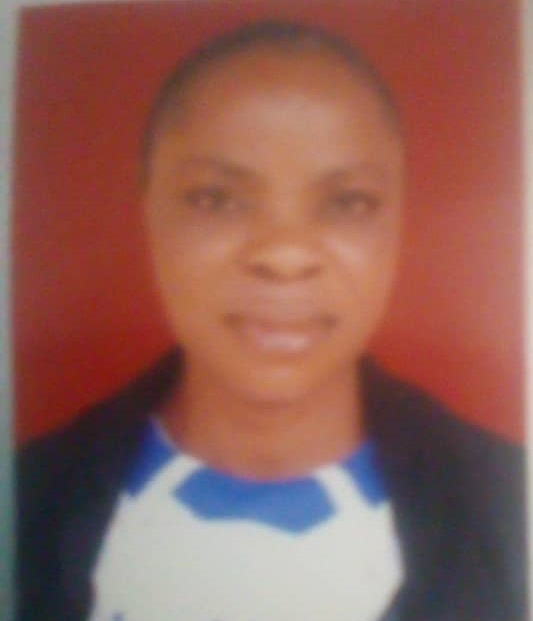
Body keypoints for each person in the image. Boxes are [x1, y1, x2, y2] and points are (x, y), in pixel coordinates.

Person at [16, 20, 526, 621]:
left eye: (347, 202)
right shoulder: (27, 500)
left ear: (398, 224)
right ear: (147, 209)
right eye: (216, 199)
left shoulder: (509, 504)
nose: (284, 254)